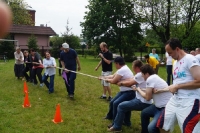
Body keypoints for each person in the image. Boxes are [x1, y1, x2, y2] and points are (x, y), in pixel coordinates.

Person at [157, 38, 200, 133]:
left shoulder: (190, 59)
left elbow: (199, 82)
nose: (169, 55)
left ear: (177, 49)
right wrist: (167, 88)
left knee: (189, 130)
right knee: (162, 125)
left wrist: (177, 86)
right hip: (176, 99)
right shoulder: (175, 62)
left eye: (170, 52)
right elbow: (178, 82)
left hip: (190, 101)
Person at [107, 60, 153, 132]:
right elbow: (130, 79)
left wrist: (121, 83)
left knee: (121, 106)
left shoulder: (140, 74)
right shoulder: (140, 74)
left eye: (133, 67)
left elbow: (129, 83)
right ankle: (126, 122)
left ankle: (117, 127)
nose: (132, 69)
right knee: (125, 104)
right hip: (141, 99)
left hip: (142, 101)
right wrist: (122, 81)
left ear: (137, 67)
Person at [134, 64, 172, 133]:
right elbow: (149, 93)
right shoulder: (154, 77)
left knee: (151, 128)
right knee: (144, 113)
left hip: (164, 108)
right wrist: (138, 89)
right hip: (158, 106)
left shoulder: (150, 79)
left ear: (147, 74)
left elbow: (148, 97)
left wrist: (138, 89)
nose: (142, 76)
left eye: (142, 74)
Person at [103, 57, 136, 122]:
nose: (114, 65)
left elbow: (113, 81)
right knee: (112, 102)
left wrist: (106, 80)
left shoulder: (122, 70)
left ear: (118, 63)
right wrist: (103, 77)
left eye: (115, 63)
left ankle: (115, 122)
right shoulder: (122, 68)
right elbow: (112, 76)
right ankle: (110, 116)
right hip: (124, 91)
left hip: (129, 92)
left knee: (116, 103)